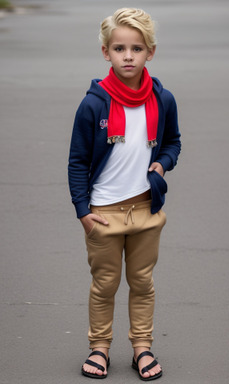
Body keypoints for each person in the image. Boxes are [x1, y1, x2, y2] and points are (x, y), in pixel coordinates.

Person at [68, 7, 181, 381]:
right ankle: (99, 348)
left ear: (151, 51)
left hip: (146, 209)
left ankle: (141, 348)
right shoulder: (94, 104)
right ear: (106, 52)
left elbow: (173, 143)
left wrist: (161, 165)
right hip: (103, 211)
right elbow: (77, 160)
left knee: (143, 282)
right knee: (105, 284)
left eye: (137, 48)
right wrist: (83, 210)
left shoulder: (162, 100)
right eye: (119, 48)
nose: (128, 56)